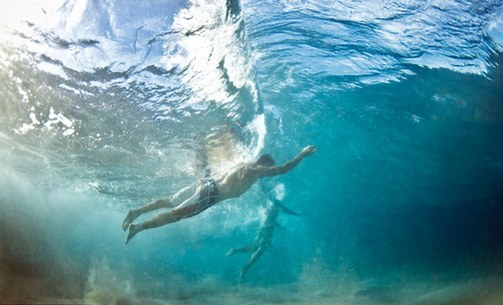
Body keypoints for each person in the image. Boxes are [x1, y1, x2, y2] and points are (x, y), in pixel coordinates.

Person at [122, 145, 316, 244]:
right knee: (175, 215)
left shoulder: (244, 164)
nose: (267, 173)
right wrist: (302, 154)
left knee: (170, 200)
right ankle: (138, 227)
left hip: (207, 183)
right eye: (268, 168)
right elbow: (284, 168)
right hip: (210, 194)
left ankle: (135, 211)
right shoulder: (256, 170)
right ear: (265, 164)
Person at [226, 192, 301, 278]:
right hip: (268, 230)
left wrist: (280, 227)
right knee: (261, 249)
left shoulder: (270, 205)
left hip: (264, 228)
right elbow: (286, 211)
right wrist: (297, 214)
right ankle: (245, 267)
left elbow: (270, 218)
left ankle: (235, 251)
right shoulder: (277, 203)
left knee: (255, 247)